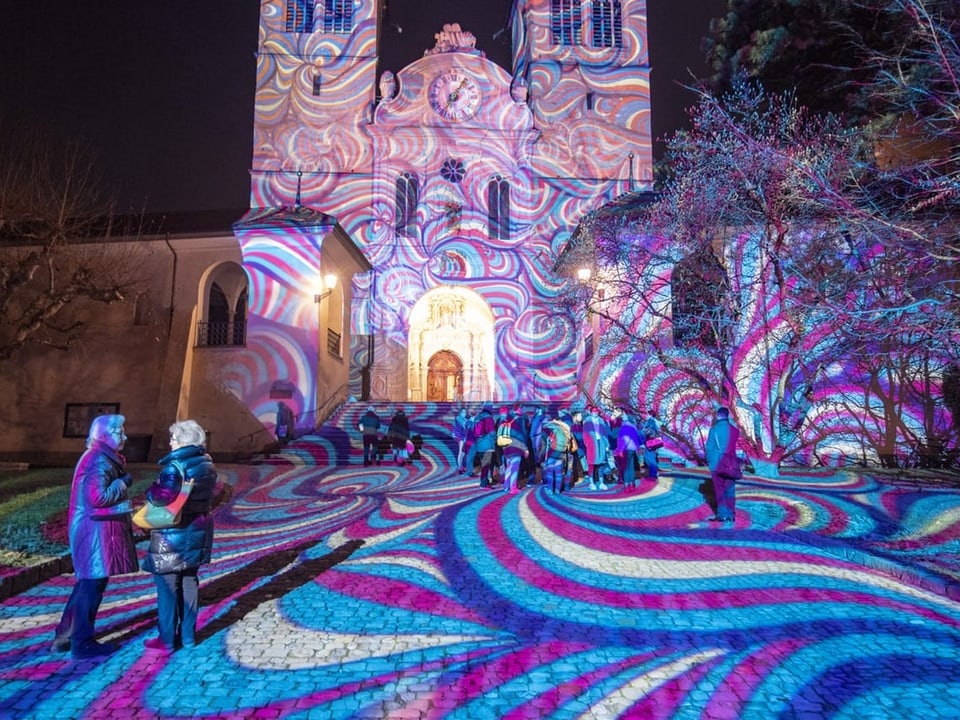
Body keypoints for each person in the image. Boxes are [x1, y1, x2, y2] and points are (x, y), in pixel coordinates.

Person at [52, 414, 138, 659]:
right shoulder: (99, 460)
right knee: (92, 586)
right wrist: (122, 484)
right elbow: (98, 498)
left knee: (87, 584)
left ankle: (64, 636)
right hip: (94, 532)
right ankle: (82, 642)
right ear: (103, 435)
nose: (125, 437)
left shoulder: (99, 457)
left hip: (91, 530)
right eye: (119, 432)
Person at [141, 420, 223, 654]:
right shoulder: (207, 463)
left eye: (173, 438)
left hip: (173, 533)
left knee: (167, 585)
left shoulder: (175, 465)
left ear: (183, 441)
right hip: (198, 528)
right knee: (188, 581)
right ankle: (188, 636)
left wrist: (151, 489)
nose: (170, 442)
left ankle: (166, 638)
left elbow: (162, 497)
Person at [705, 406, 741, 523]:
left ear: (717, 415)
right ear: (727, 415)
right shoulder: (735, 430)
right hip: (731, 464)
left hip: (717, 464)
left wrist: (711, 463)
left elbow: (710, 448)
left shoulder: (714, 429)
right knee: (730, 490)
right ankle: (731, 514)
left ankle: (722, 514)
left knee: (720, 490)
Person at [582, 406, 610, 490]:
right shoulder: (587, 421)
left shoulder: (601, 421)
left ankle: (601, 482)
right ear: (591, 412)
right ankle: (592, 482)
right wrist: (587, 443)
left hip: (601, 443)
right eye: (594, 411)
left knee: (601, 463)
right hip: (592, 444)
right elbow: (585, 434)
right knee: (591, 464)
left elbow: (605, 433)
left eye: (597, 411)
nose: (595, 413)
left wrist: (606, 444)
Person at [615, 410, 641, 491]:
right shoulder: (633, 426)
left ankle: (627, 485)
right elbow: (636, 438)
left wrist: (620, 450)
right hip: (633, 449)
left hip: (626, 449)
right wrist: (637, 448)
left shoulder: (625, 427)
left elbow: (625, 439)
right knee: (631, 466)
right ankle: (632, 484)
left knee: (626, 467)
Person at [472, 404, 497, 487]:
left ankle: (485, 480)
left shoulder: (478, 417)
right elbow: (492, 432)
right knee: (486, 465)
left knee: (483, 464)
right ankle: (483, 483)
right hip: (487, 444)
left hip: (479, 445)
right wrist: (495, 439)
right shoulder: (488, 417)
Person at [641, 409, 662, 482]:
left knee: (651, 459)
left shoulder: (653, 422)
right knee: (647, 459)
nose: (645, 416)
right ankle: (652, 473)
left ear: (650, 415)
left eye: (647, 414)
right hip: (648, 442)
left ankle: (653, 475)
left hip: (651, 443)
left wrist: (645, 431)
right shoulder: (649, 421)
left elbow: (653, 432)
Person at [452, 407, 470, 473]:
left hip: (464, 437)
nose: (464, 413)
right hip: (460, 437)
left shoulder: (464, 419)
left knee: (463, 453)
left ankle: (461, 466)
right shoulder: (458, 418)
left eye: (465, 412)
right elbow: (464, 425)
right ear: (460, 413)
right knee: (461, 452)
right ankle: (460, 468)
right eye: (463, 412)